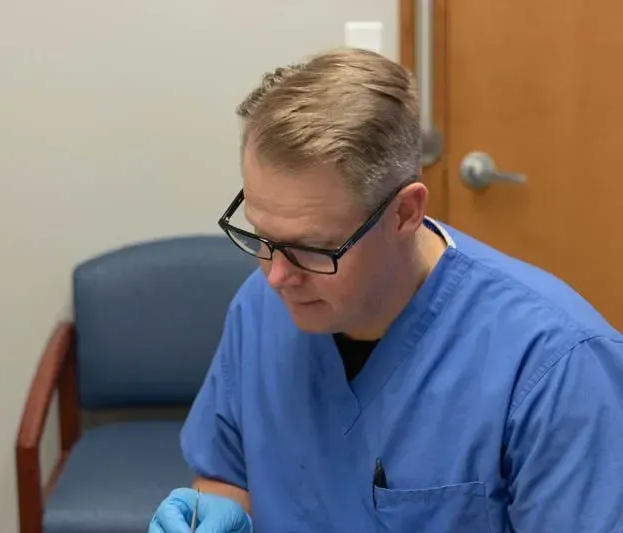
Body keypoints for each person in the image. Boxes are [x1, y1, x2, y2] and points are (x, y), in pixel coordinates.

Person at [148, 48, 623, 532]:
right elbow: (227, 471)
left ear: (404, 214)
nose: (277, 276)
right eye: (260, 236)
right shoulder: (260, 307)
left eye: (314, 248)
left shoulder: (555, 366)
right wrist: (216, 514)